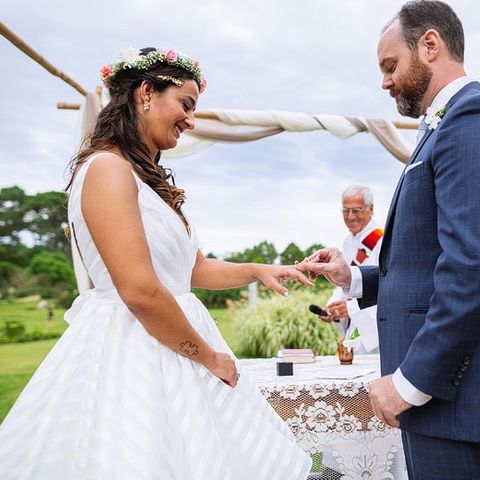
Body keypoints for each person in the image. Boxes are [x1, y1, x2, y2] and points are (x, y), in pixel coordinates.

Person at [0, 47, 311, 479]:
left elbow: (192, 270)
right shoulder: (108, 170)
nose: (190, 119)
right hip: (137, 351)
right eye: (185, 105)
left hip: (171, 344)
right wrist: (209, 357)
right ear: (146, 92)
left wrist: (256, 270)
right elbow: (140, 291)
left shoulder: (141, 178)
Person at [304, 2, 480, 479]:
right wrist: (354, 277)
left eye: (389, 66)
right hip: (448, 398)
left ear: (430, 45)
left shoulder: (478, 119)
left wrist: (410, 381)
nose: (384, 82)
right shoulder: (440, 127)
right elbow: (428, 264)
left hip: (462, 393)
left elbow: (475, 267)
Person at [319, 185, 382, 354]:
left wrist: (351, 309)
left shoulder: (380, 239)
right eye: (345, 211)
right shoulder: (348, 241)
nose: (350, 216)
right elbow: (344, 282)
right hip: (354, 324)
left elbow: (386, 285)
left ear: (371, 209)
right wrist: (331, 308)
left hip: (371, 325)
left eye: (357, 210)